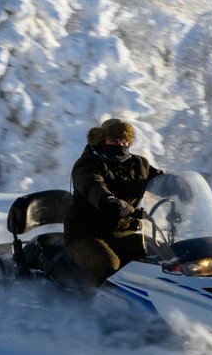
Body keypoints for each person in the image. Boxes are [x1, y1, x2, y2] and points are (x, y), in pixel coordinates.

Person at [60, 118, 164, 292]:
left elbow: (160, 182)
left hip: (124, 232)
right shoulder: (88, 163)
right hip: (86, 234)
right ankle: (104, 311)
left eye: (124, 141)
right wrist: (107, 200)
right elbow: (92, 184)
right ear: (101, 140)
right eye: (115, 140)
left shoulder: (139, 164)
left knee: (160, 256)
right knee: (108, 264)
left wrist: (179, 188)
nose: (120, 145)